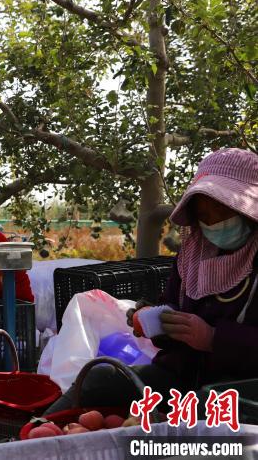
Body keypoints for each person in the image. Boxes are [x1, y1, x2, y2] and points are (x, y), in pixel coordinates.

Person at [44, 148, 258, 415]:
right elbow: (172, 306)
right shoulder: (193, 254)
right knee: (98, 379)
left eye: (221, 211)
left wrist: (214, 338)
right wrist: (153, 321)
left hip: (243, 391)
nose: (212, 223)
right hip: (182, 378)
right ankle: (36, 432)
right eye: (204, 214)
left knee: (200, 410)